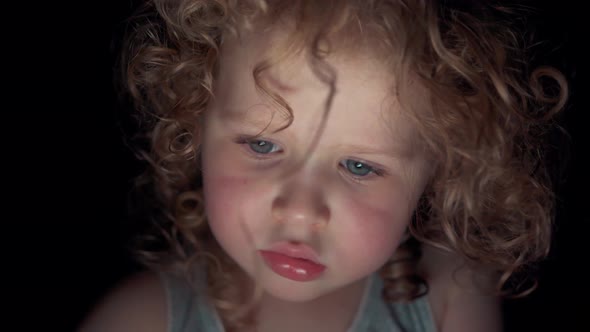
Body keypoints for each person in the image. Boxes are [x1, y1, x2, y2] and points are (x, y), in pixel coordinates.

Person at [79, 0, 568, 331]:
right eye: (263, 146)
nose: (298, 212)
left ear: (439, 176)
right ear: (195, 126)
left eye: (358, 166)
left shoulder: (449, 299)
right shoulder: (140, 319)